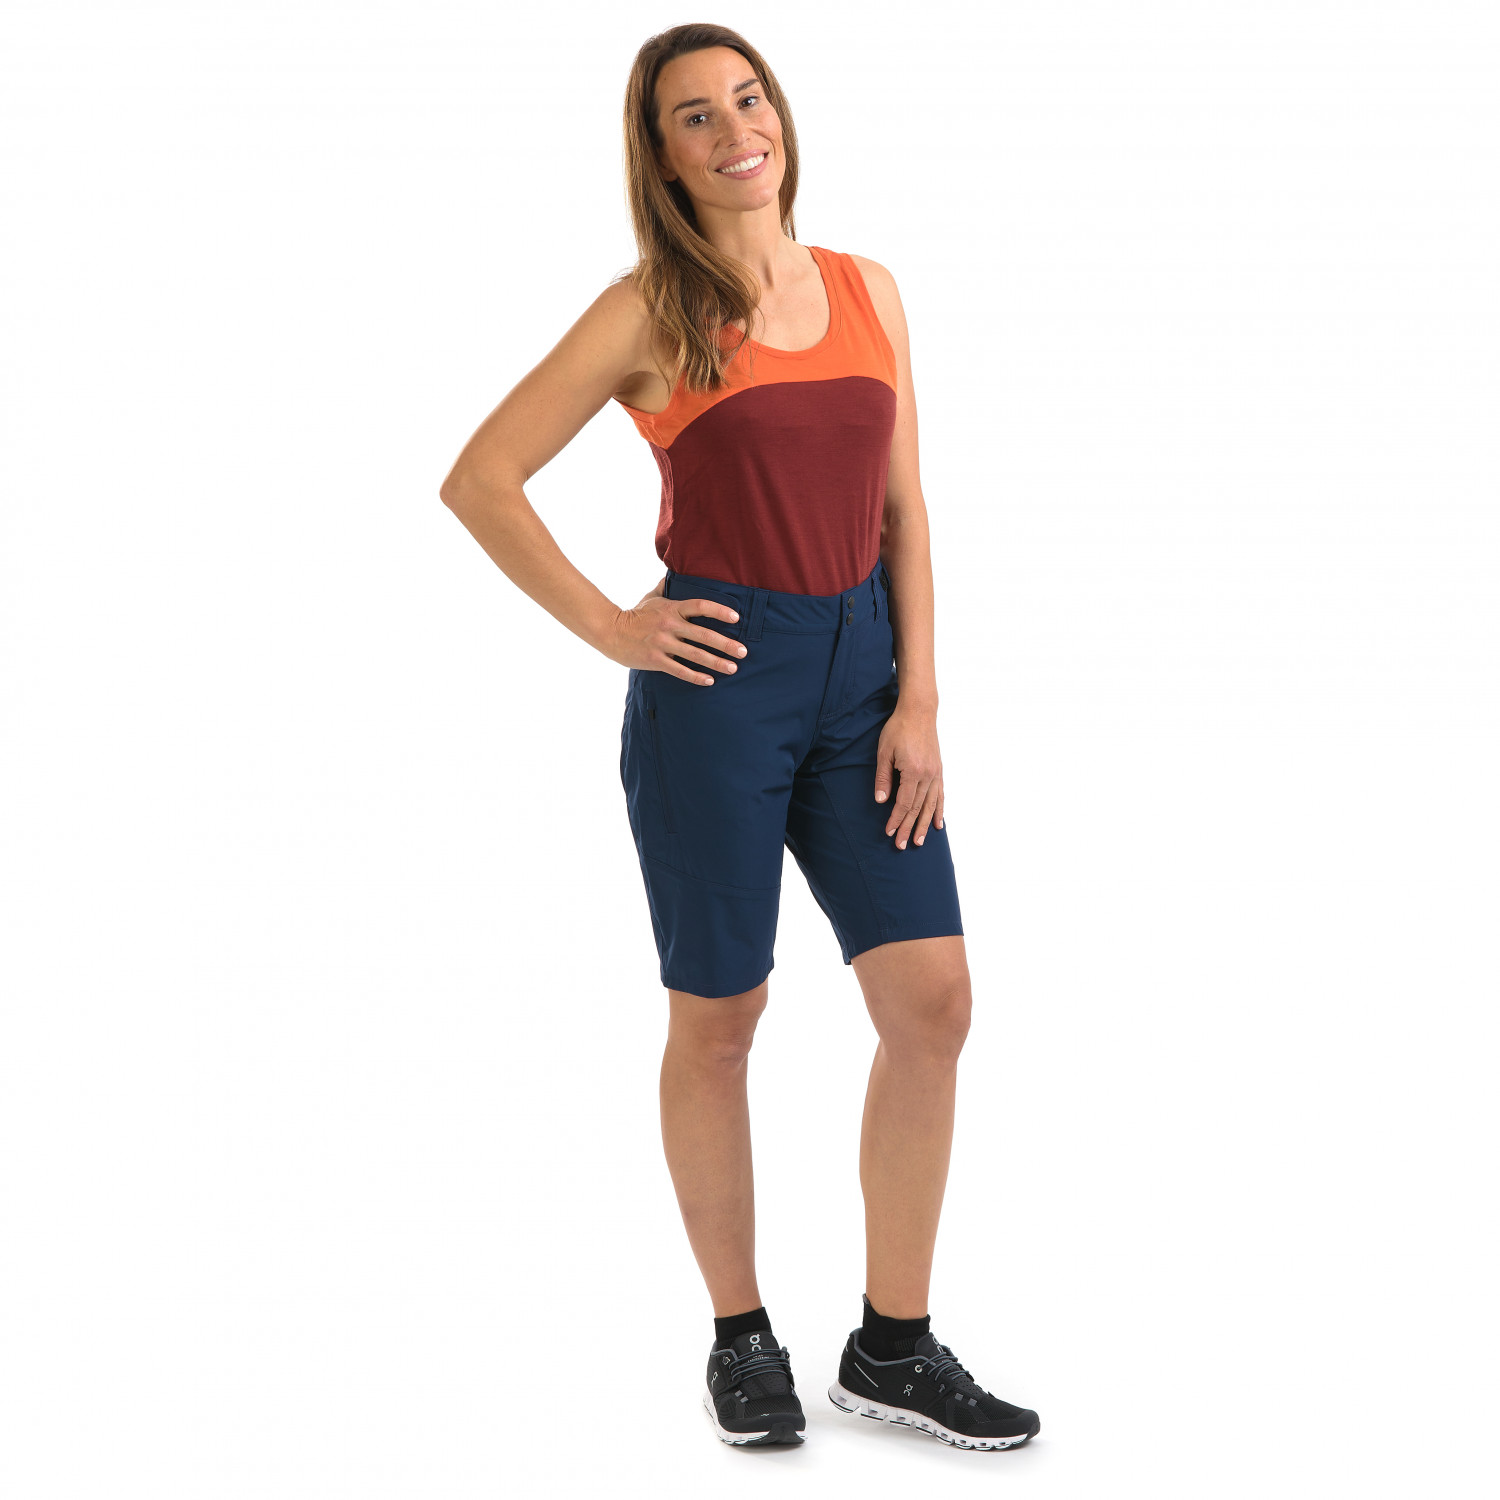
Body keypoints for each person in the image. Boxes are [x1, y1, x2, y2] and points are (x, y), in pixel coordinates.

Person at [439, 24, 1040, 1453]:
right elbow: (481, 478)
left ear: (782, 115)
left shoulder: (868, 289)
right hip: (718, 691)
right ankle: (741, 1335)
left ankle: (893, 1346)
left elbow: (903, 511)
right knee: (721, 1018)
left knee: (934, 1002)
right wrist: (613, 626)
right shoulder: (648, 311)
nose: (733, 132)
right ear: (660, 155)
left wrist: (920, 699)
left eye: (747, 99)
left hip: (865, 687)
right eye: (694, 117)